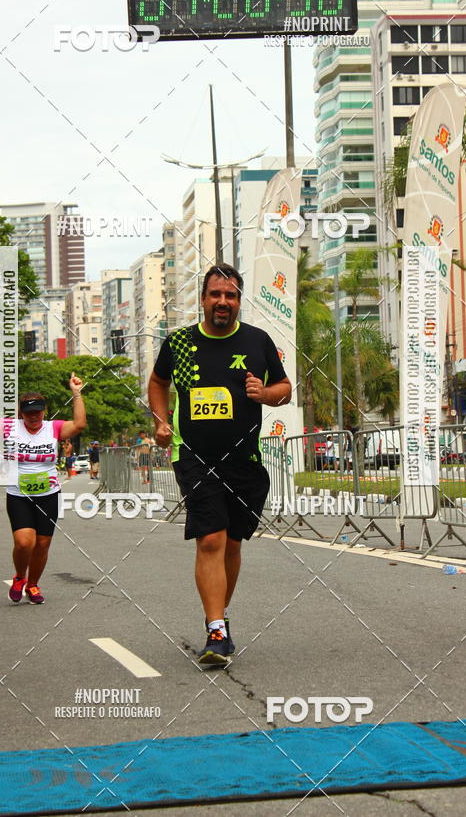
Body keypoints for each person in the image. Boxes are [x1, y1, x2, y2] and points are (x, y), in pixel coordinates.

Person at [148, 263, 292, 665]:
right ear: (204, 299)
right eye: (216, 295)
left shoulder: (257, 341)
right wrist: (161, 421)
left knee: (231, 542)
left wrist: (264, 394)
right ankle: (216, 631)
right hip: (193, 454)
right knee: (210, 537)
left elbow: (285, 389)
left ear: (239, 301)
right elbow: (158, 382)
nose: (223, 302)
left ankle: (219, 618)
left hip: (244, 459)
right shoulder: (179, 342)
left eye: (230, 296)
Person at [0, 371, 86, 604]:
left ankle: (33, 585)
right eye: (28, 413)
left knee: (42, 544)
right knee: (25, 542)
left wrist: (77, 393)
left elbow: (79, 424)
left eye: (37, 412)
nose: (33, 417)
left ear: (44, 411)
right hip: (19, 495)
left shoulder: (52, 428)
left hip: (49, 495)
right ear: (20, 413)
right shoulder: (9, 427)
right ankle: (19, 577)